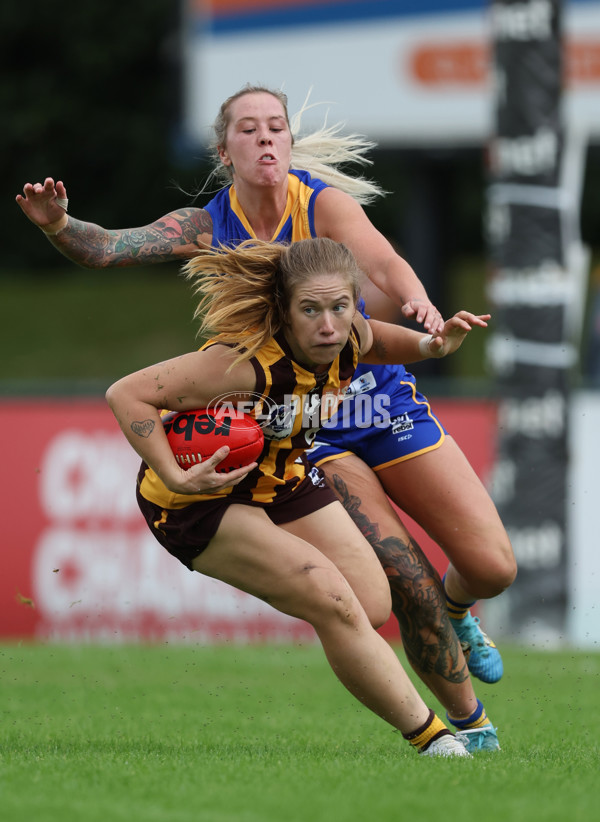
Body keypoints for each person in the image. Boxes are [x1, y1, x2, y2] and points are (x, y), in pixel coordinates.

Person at [16, 84, 516, 753]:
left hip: (367, 393)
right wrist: (57, 225)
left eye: (275, 126)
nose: (265, 139)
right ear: (224, 151)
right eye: (247, 130)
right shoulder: (211, 243)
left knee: (491, 567)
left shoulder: (323, 205)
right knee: (397, 577)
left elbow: (383, 266)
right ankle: (470, 731)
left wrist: (423, 312)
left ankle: (460, 614)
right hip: (305, 422)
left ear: (288, 140)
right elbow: (108, 248)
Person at [106, 236, 488, 757]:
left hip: (282, 481)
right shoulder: (241, 365)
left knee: (371, 604)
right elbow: (126, 394)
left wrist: (431, 346)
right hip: (200, 501)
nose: (328, 325)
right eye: (310, 310)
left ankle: (341, 629)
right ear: (284, 312)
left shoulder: (348, 334)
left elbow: (373, 341)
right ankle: (435, 740)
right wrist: (173, 474)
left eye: (340, 307)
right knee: (333, 600)